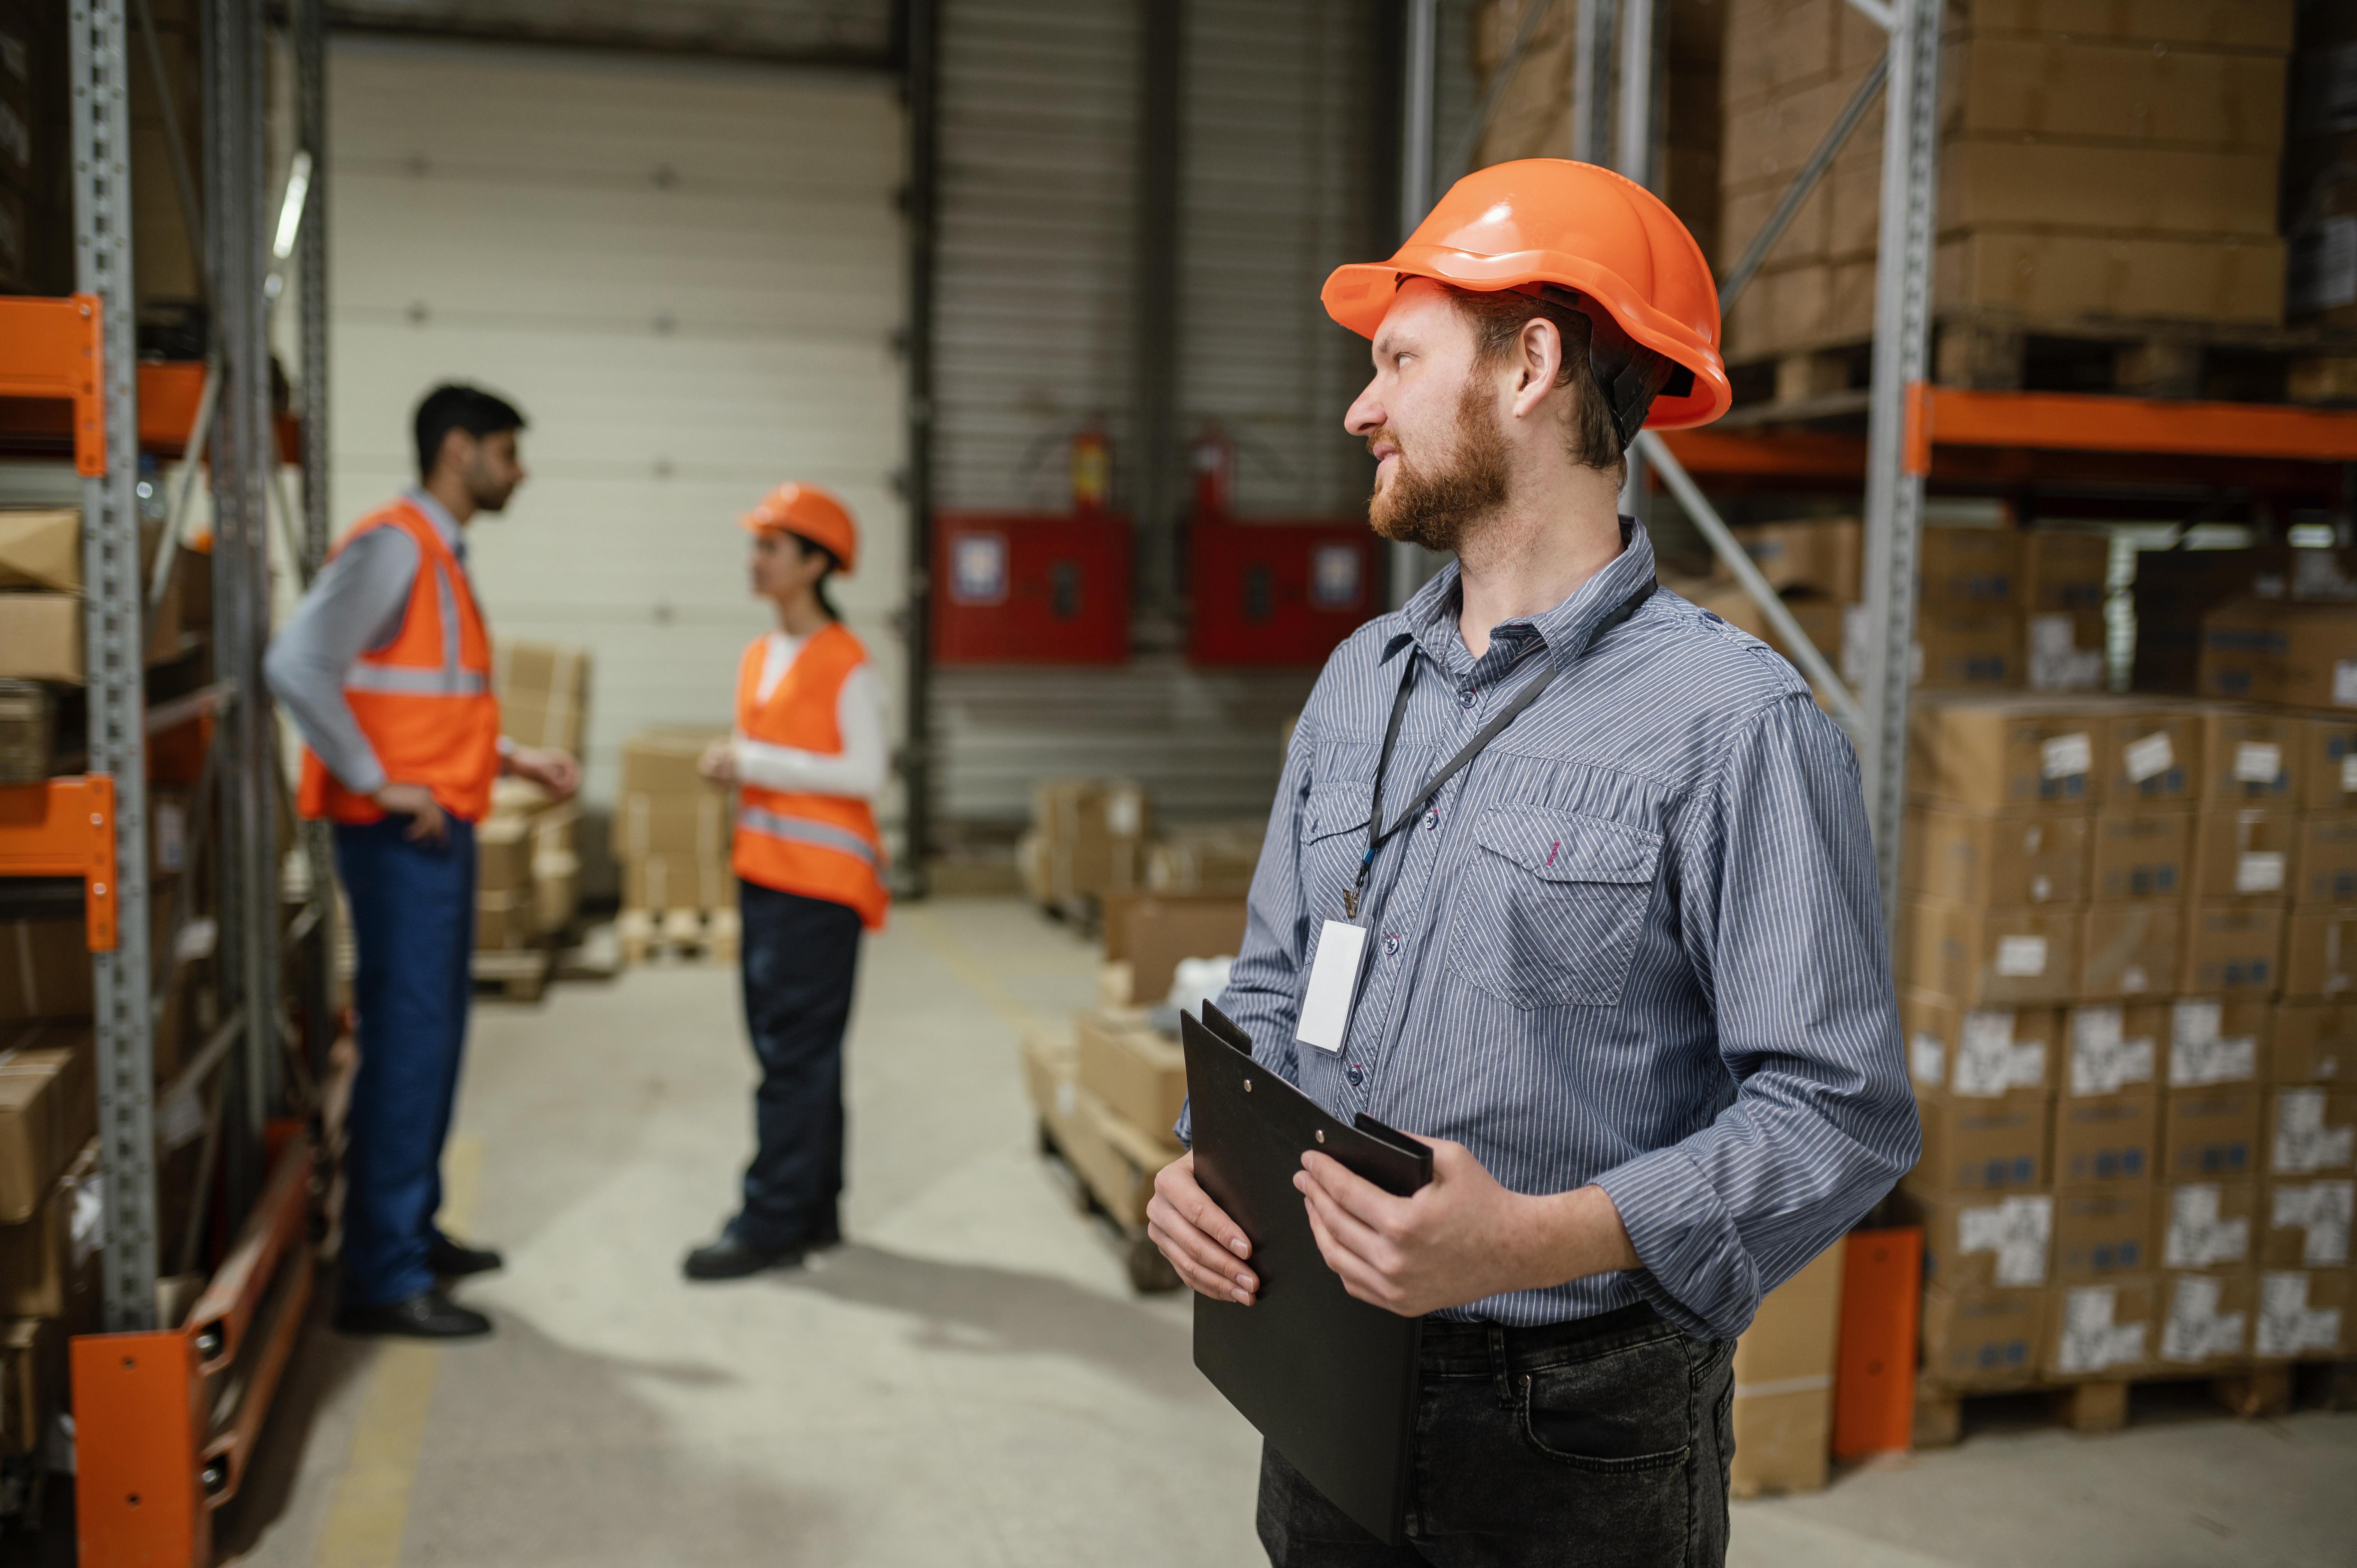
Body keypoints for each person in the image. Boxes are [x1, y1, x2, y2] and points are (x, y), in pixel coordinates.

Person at [1144, 161, 1919, 1567]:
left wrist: (1540, 1237)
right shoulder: (1354, 684)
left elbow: (1837, 1113)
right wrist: (1203, 1162)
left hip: (1571, 1430)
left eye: (1395, 360)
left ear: (1531, 366)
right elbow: (1269, 987)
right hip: (1316, 1376)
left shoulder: (1731, 726)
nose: (1357, 408)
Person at [267, 383, 579, 1339]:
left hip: (435, 829)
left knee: (433, 1040)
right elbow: (297, 663)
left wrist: (509, 755)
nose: (518, 470)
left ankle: (412, 1231)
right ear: (459, 450)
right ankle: (382, 1275)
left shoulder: (437, 551)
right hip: (401, 837)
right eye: (508, 451)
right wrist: (376, 780)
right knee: (407, 1042)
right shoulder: (397, 542)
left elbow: (425, 709)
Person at [682, 483, 889, 1280]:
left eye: (772, 546)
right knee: (806, 1055)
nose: (756, 560)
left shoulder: (846, 661)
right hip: (768, 875)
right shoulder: (760, 655)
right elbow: (773, 751)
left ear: (815, 563)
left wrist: (755, 762)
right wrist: (735, 763)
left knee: (791, 1058)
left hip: (821, 889)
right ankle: (815, 1209)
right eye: (757, 545)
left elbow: (866, 771)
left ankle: (770, 1221)